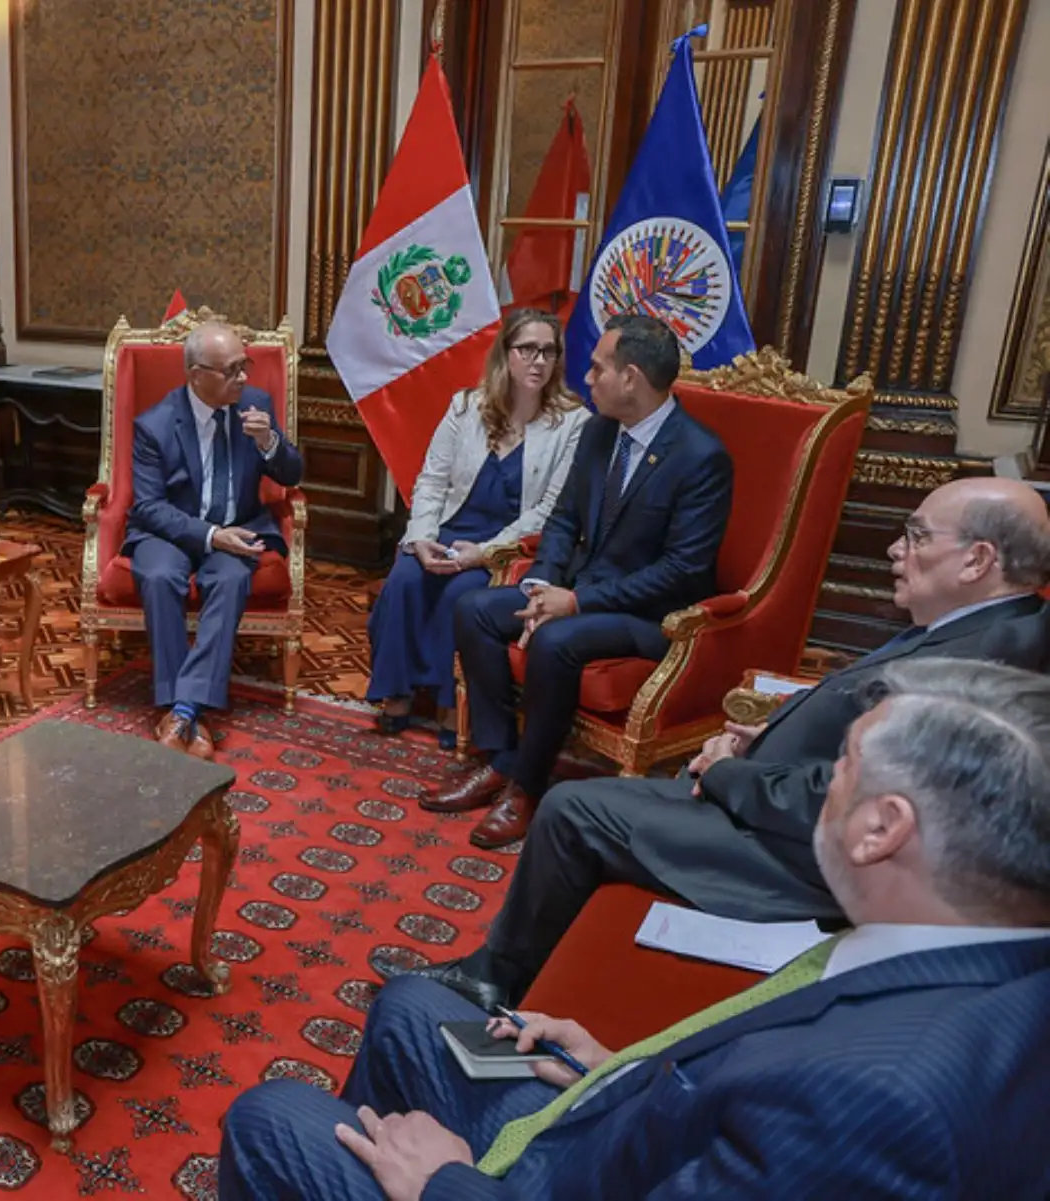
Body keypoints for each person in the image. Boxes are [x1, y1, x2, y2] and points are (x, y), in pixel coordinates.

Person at [221, 656, 1050, 1200]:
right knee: (410, 1007)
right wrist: (620, 1068)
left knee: (268, 1120)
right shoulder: (979, 954)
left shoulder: (870, 1099)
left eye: (836, 773)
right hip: (622, 1125)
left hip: (549, 1180)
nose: (816, 788)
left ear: (884, 829)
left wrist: (441, 1182)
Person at [411, 475, 1050, 1009]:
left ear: (978, 560)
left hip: (801, 858)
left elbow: (849, 804)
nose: (893, 549)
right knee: (611, 802)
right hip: (779, 798)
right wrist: (768, 732)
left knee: (573, 811)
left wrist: (725, 773)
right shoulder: (985, 629)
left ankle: (497, 979)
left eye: (915, 536)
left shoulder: (975, 666)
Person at [431, 313, 732, 849]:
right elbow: (565, 520)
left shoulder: (701, 457)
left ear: (631, 378)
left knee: (556, 639)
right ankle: (501, 759)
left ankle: (526, 787)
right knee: (474, 609)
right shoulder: (598, 432)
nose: (585, 380)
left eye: (597, 370)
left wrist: (575, 601)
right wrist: (538, 586)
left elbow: (681, 571)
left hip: (649, 616)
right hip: (577, 590)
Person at [368, 310, 588, 743]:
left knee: (458, 593)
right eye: (528, 349)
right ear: (505, 354)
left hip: (509, 547)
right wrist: (422, 539)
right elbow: (432, 482)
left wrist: (484, 553)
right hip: (449, 530)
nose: (539, 361)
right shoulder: (466, 406)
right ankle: (396, 694)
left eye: (549, 351)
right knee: (405, 579)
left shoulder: (573, 423)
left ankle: (453, 703)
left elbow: (547, 510)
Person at [128, 320, 304, 759]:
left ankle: (183, 711)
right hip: (171, 530)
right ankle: (185, 708)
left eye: (245, 366)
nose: (243, 378)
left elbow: (293, 474)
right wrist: (210, 536)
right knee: (157, 574)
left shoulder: (255, 406)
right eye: (231, 371)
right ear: (196, 376)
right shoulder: (156, 425)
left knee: (228, 580)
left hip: (241, 524)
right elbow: (148, 507)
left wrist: (269, 443)